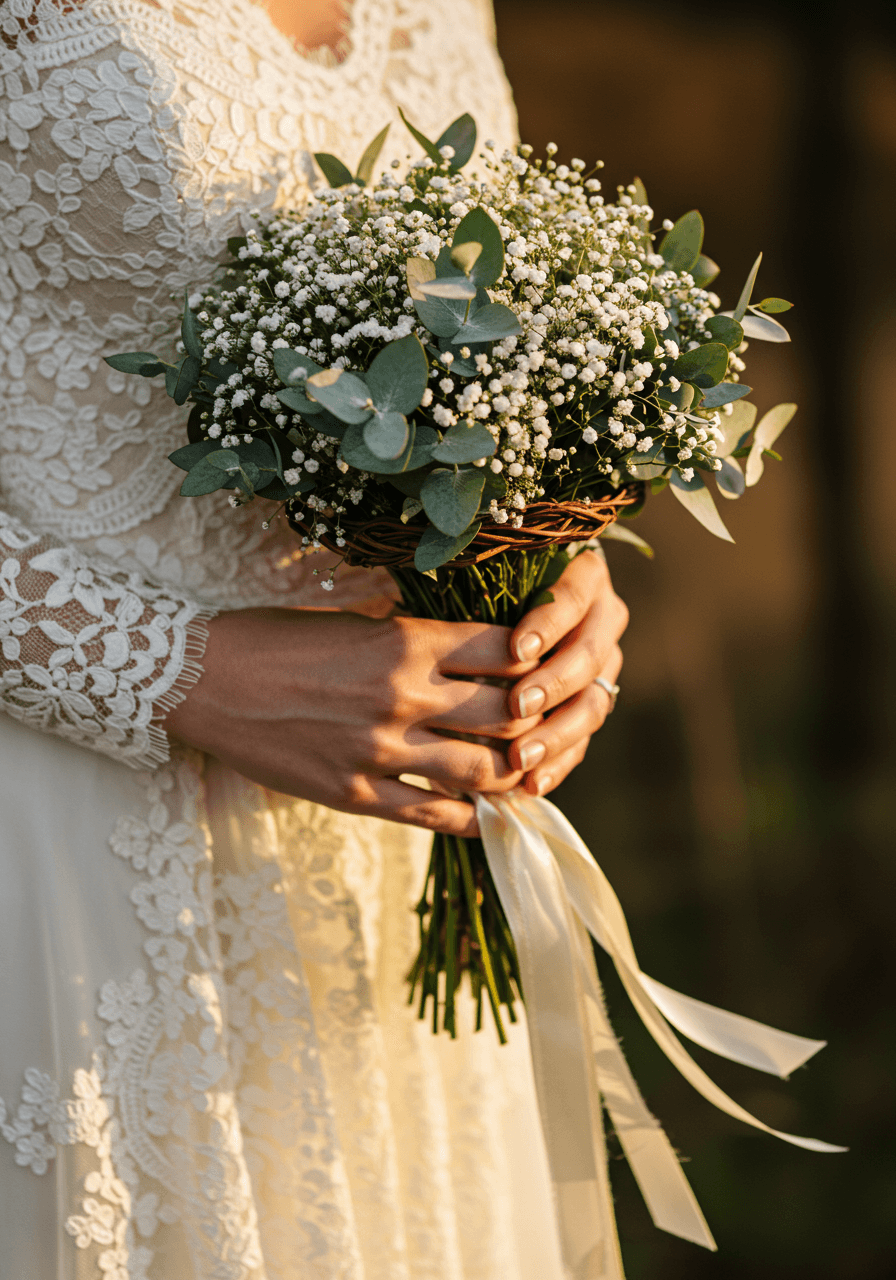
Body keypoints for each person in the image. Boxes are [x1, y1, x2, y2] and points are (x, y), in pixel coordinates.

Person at [0, 2, 628, 1276]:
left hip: (385, 850)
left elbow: (468, 328)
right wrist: (168, 664)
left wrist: (553, 560)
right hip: (62, 842)